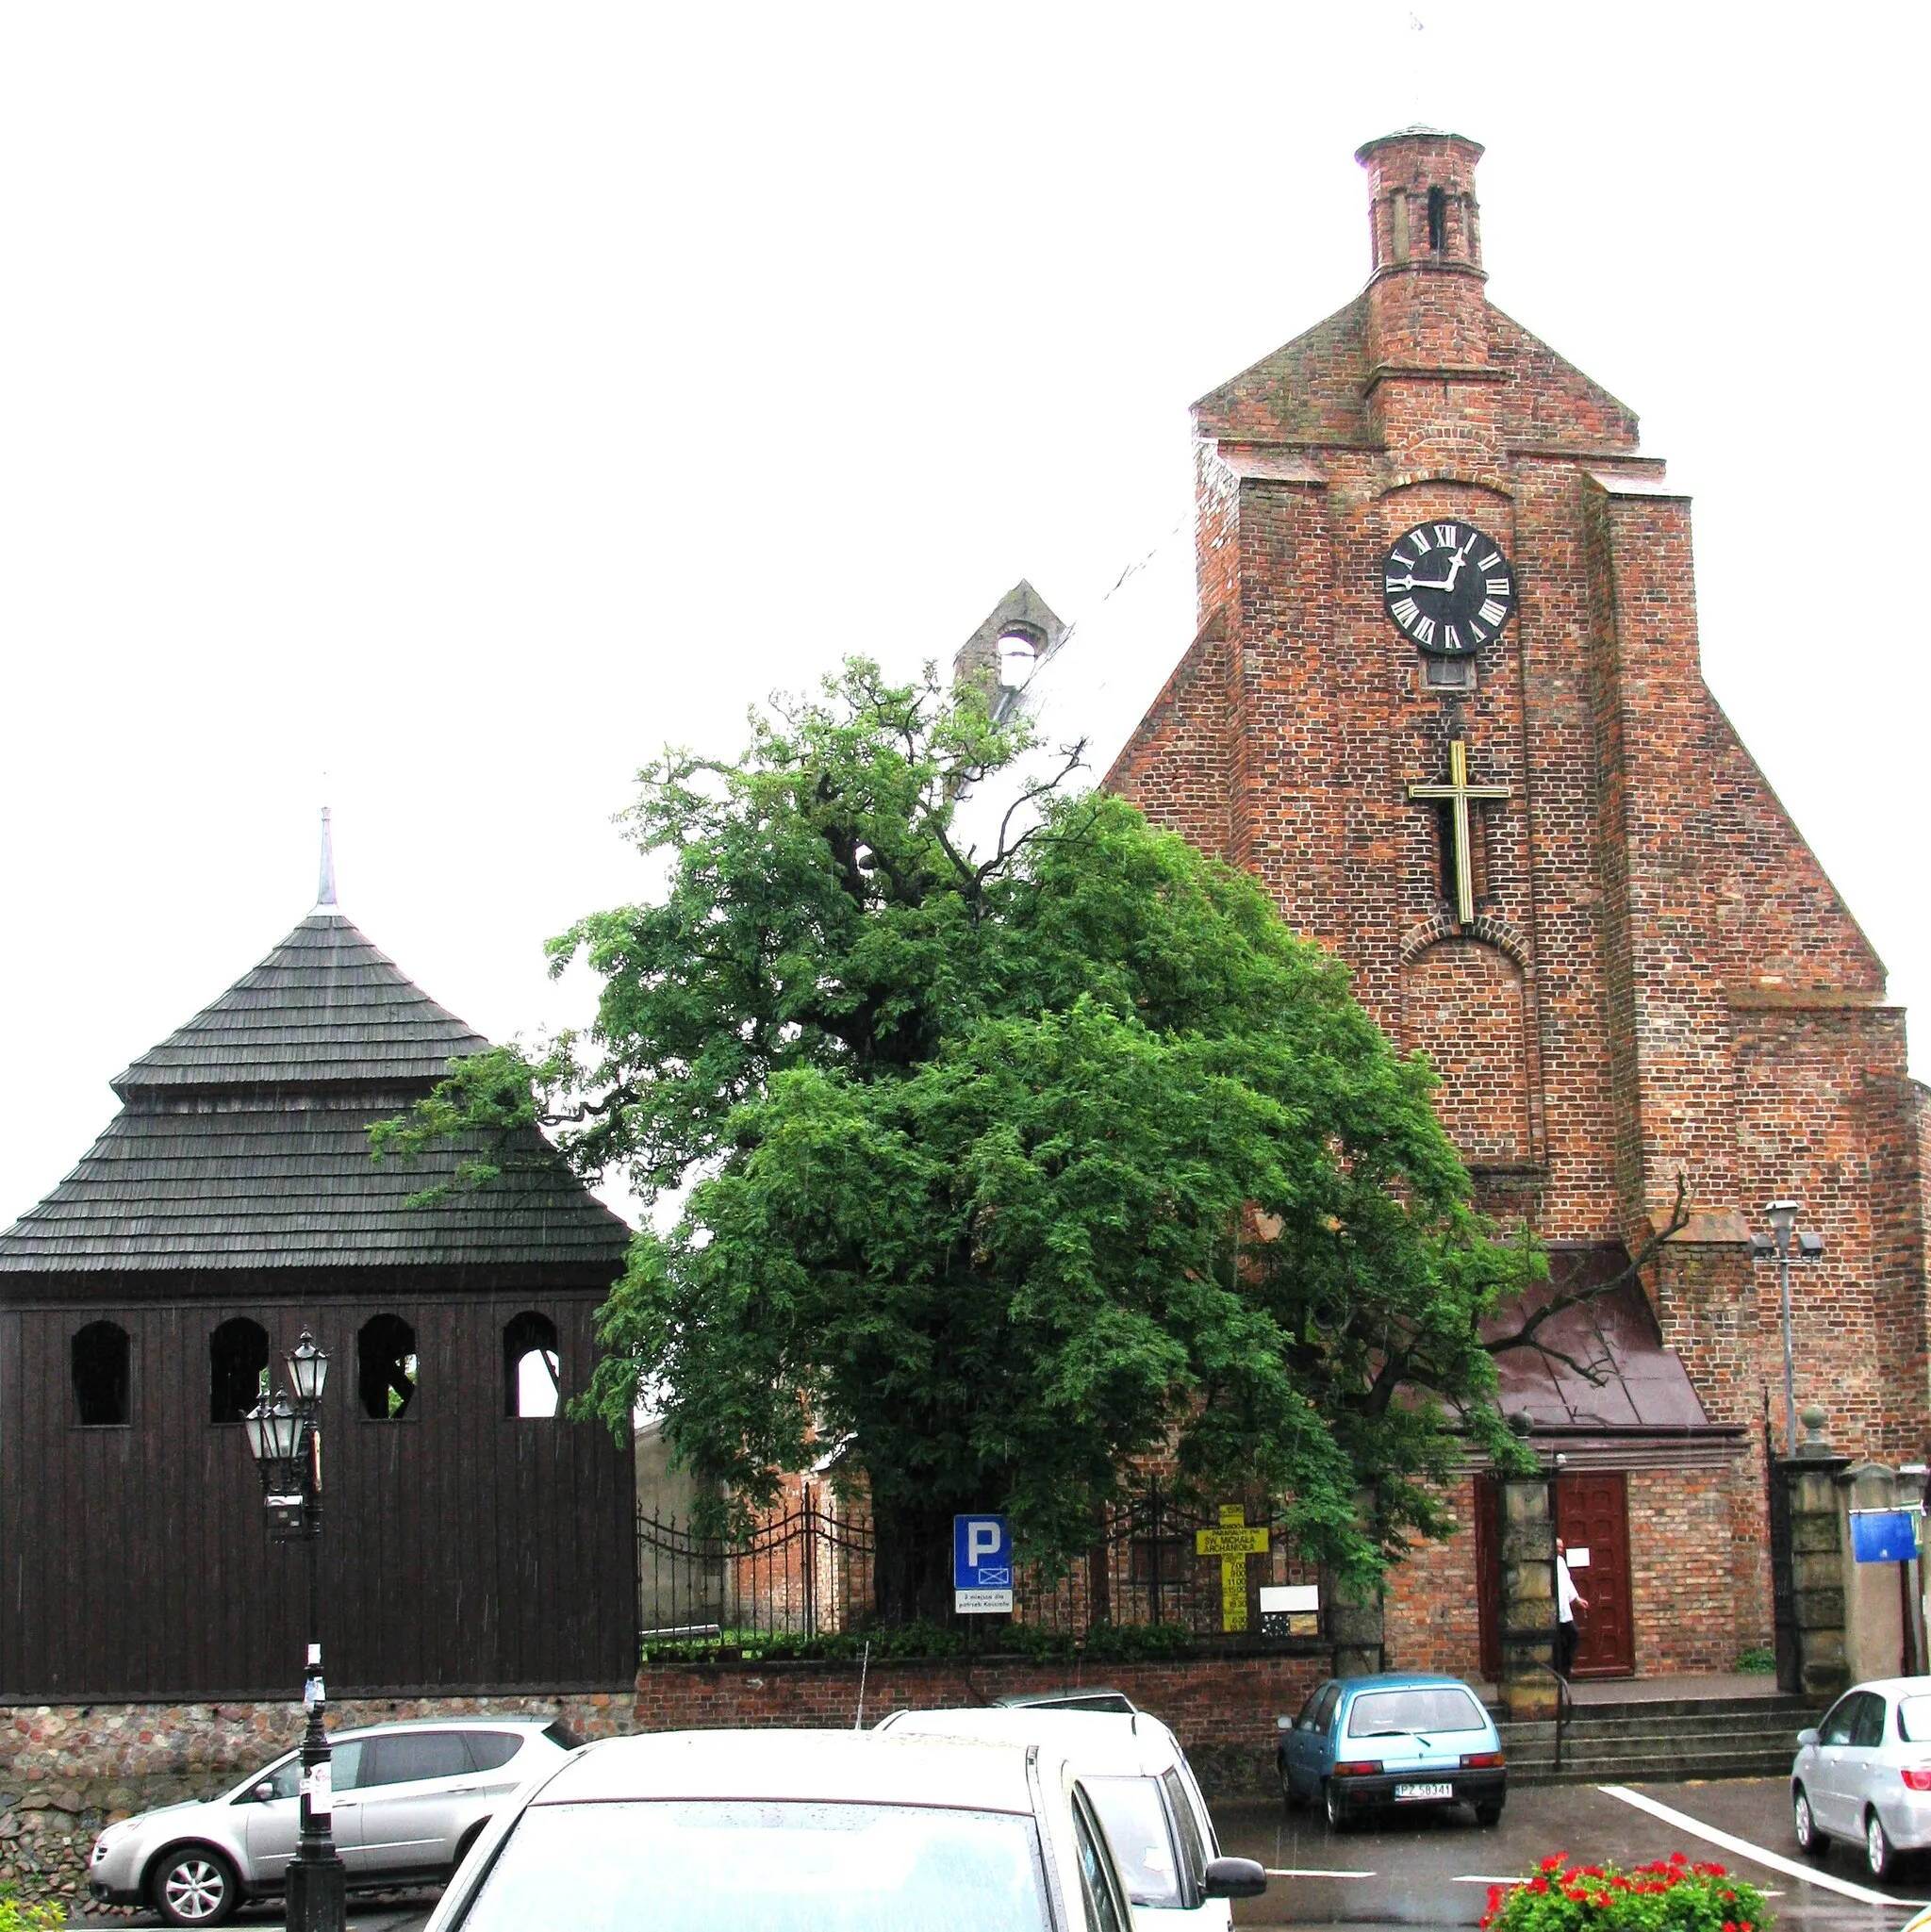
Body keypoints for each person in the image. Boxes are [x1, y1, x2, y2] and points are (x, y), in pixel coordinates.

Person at [1554, 1536, 1588, 1678]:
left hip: (1564, 1609)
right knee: (1558, 1640)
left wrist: (1576, 1599)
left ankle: (1565, 1668)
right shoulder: (1549, 1563)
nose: (1560, 1550)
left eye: (1562, 1547)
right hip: (1554, 1609)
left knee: (1573, 1635)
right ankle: (1559, 1670)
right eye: (1558, 1547)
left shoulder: (1560, 1562)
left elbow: (1567, 1582)